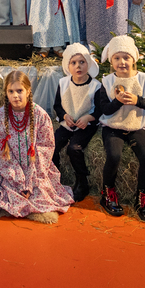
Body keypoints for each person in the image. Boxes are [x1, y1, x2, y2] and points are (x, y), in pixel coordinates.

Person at [0, 70, 73, 223]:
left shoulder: (40, 115)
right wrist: (18, 180)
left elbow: (45, 149)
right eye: (11, 91)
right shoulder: (0, 117)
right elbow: (0, 152)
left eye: (19, 90)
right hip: (11, 172)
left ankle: (34, 205)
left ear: (28, 91)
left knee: (40, 194)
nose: (15, 95)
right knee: (5, 196)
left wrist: (30, 180)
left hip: (36, 171)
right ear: (6, 93)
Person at [93, 35, 145, 221]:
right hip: (113, 127)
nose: (122, 62)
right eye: (117, 58)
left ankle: (142, 198)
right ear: (111, 61)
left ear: (134, 59)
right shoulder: (107, 82)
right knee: (114, 155)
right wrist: (117, 102)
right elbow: (104, 109)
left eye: (126, 57)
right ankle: (108, 194)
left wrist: (138, 100)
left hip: (136, 127)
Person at [51, 43, 101, 202]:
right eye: (73, 63)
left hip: (86, 124)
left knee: (74, 148)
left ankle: (82, 181)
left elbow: (100, 110)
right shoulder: (63, 83)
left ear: (88, 63)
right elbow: (57, 106)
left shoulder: (95, 86)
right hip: (68, 123)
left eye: (82, 62)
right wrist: (64, 116)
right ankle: (54, 178)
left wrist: (88, 118)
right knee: (52, 145)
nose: (78, 66)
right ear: (68, 66)